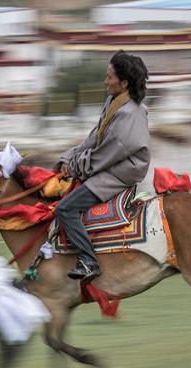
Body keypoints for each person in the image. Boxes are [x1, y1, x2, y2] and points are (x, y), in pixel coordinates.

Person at [55, 50, 150, 280]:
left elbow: (105, 154)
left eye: (109, 77)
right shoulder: (113, 101)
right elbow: (95, 137)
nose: (105, 81)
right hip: (109, 163)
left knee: (65, 208)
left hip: (121, 172)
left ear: (124, 82)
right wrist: (68, 157)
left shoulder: (131, 114)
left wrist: (76, 167)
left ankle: (88, 260)